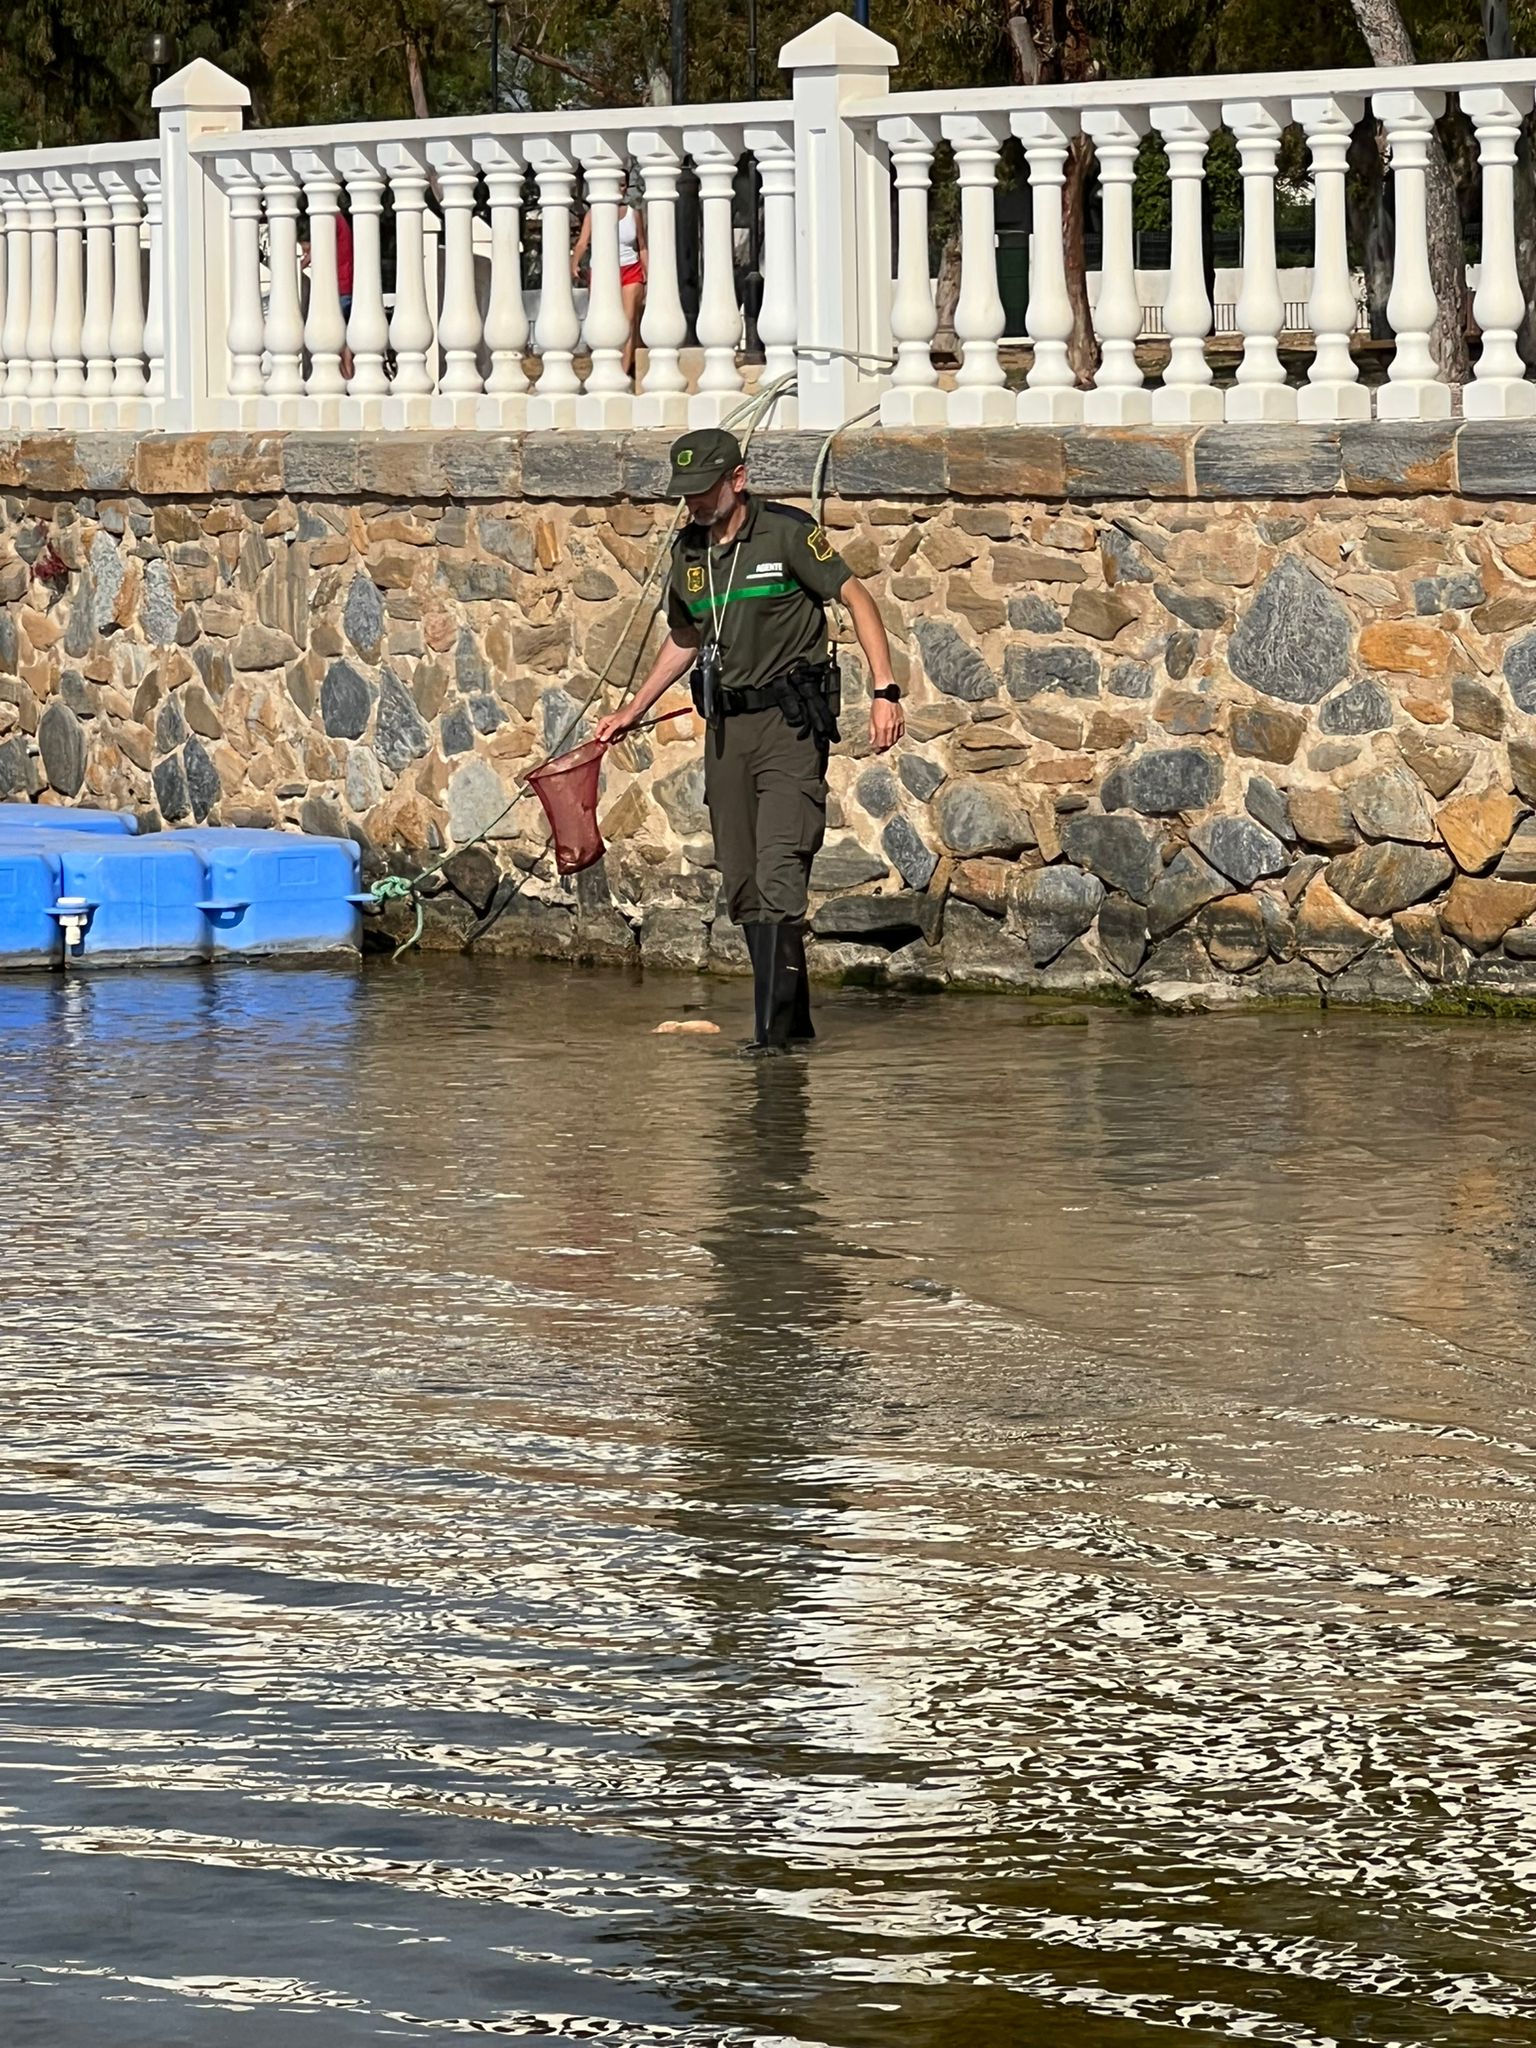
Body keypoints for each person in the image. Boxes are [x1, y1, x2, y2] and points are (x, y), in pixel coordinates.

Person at [594, 429, 905, 1055]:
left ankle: (770, 1040)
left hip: (788, 726)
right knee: (742, 879)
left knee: (780, 865)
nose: (694, 505)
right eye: (684, 495)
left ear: (738, 478)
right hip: (726, 732)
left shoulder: (788, 533)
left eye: (704, 490)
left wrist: (884, 690)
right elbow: (685, 639)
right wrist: (633, 707)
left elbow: (857, 599)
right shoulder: (688, 552)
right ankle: (794, 1024)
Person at [571, 200, 647, 381]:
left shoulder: (632, 214)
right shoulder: (593, 213)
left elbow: (642, 246)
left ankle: (624, 372)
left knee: (628, 321)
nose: (620, 188)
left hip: (630, 269)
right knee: (601, 320)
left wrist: (649, 276)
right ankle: (603, 370)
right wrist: (574, 263)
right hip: (602, 271)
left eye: (623, 184)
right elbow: (583, 242)